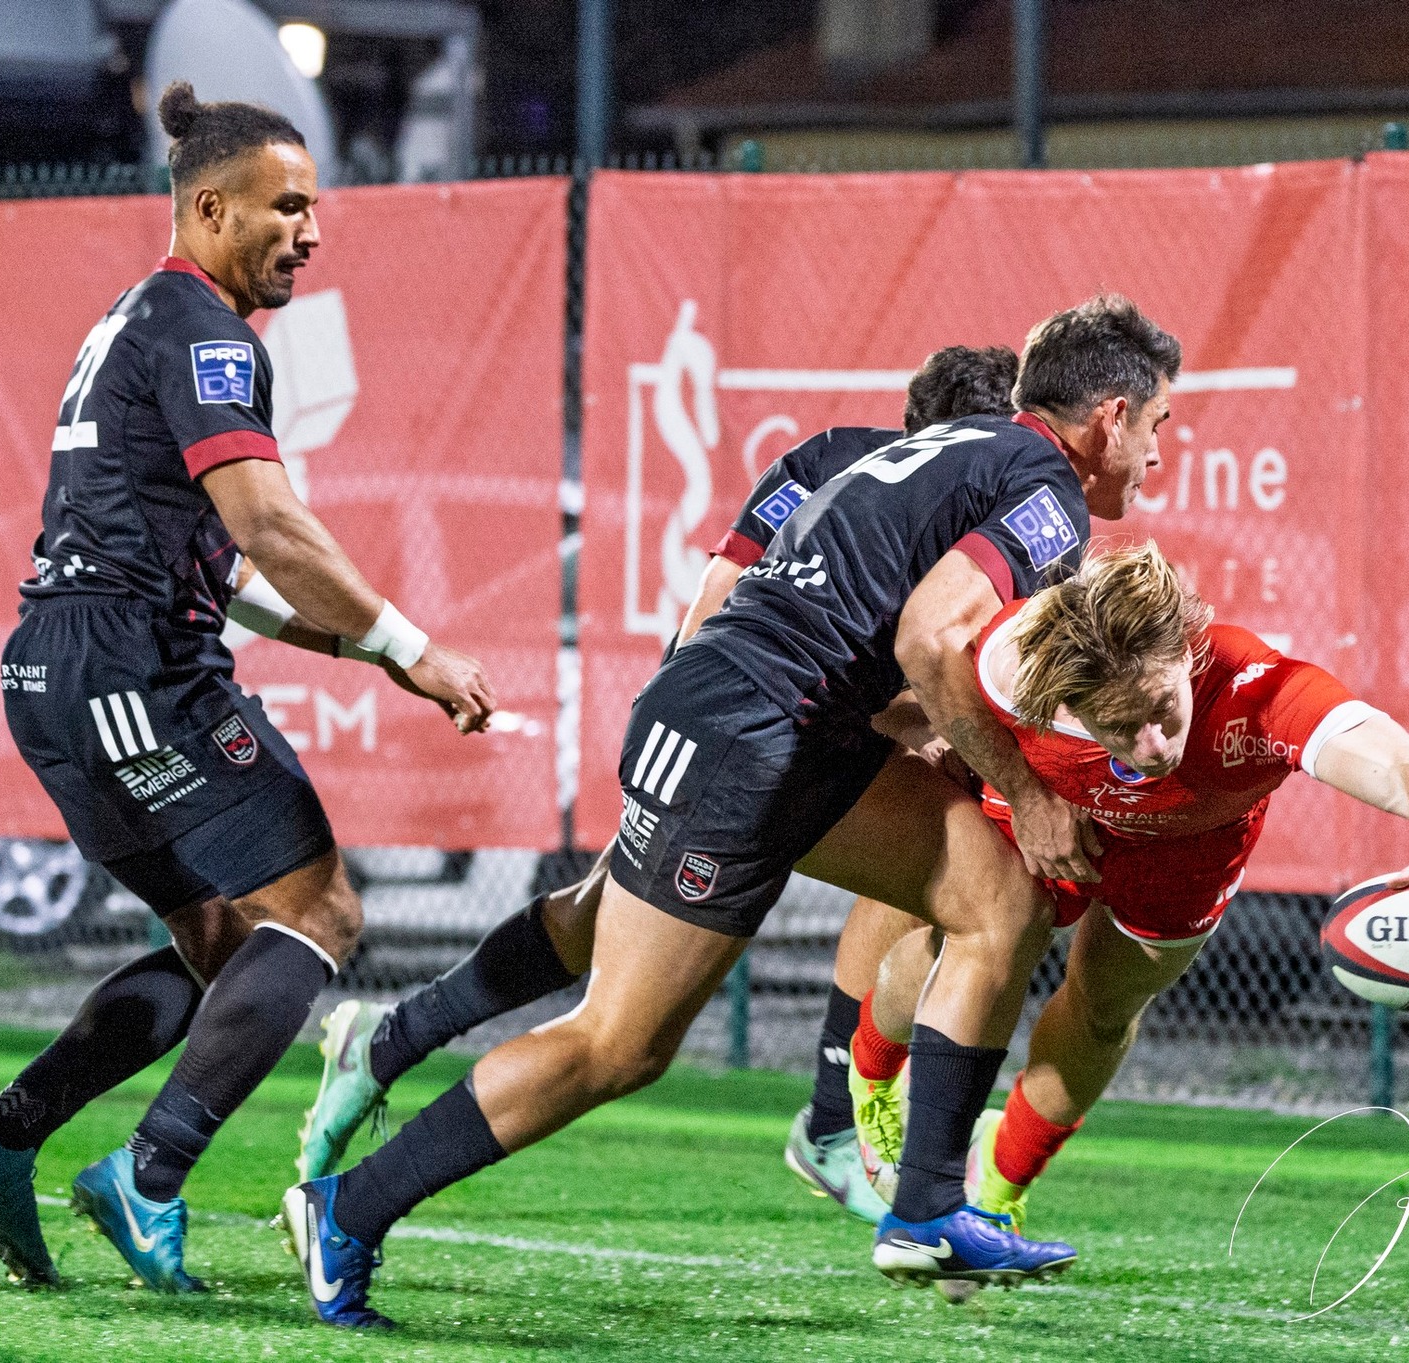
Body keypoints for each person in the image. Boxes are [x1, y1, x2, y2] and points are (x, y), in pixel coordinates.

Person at [281, 296, 1181, 1328]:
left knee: (999, 900)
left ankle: (926, 1206)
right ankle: (346, 1207)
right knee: (617, 1044)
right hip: (747, 738)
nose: (1156, 455)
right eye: (1156, 426)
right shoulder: (1043, 488)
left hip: (778, 728)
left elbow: (853, 624)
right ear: (1109, 416)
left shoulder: (951, 448)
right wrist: (1026, 792)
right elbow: (932, 637)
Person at [0, 82, 493, 1295]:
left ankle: (4, 1134)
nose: (310, 231)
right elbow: (269, 526)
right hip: (131, 667)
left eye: (314, 209)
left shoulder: (136, 321)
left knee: (226, 939)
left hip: (58, 666)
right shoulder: (205, 331)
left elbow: (221, 571)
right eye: (286, 206)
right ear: (211, 205)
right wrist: (414, 643)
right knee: (321, 910)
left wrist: (374, 653)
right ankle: (148, 1174)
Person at [847, 541, 1409, 1232]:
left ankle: (1000, 1188)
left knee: (1105, 1008)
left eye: (1161, 707)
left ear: (1184, 653)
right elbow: (908, 684)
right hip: (1055, 808)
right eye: (1119, 726)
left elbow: (1404, 765)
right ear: (1072, 702)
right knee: (961, 940)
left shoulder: (1254, 690)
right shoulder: (1016, 661)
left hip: (1191, 850)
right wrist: (1019, 791)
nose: (1152, 745)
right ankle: (868, 1081)